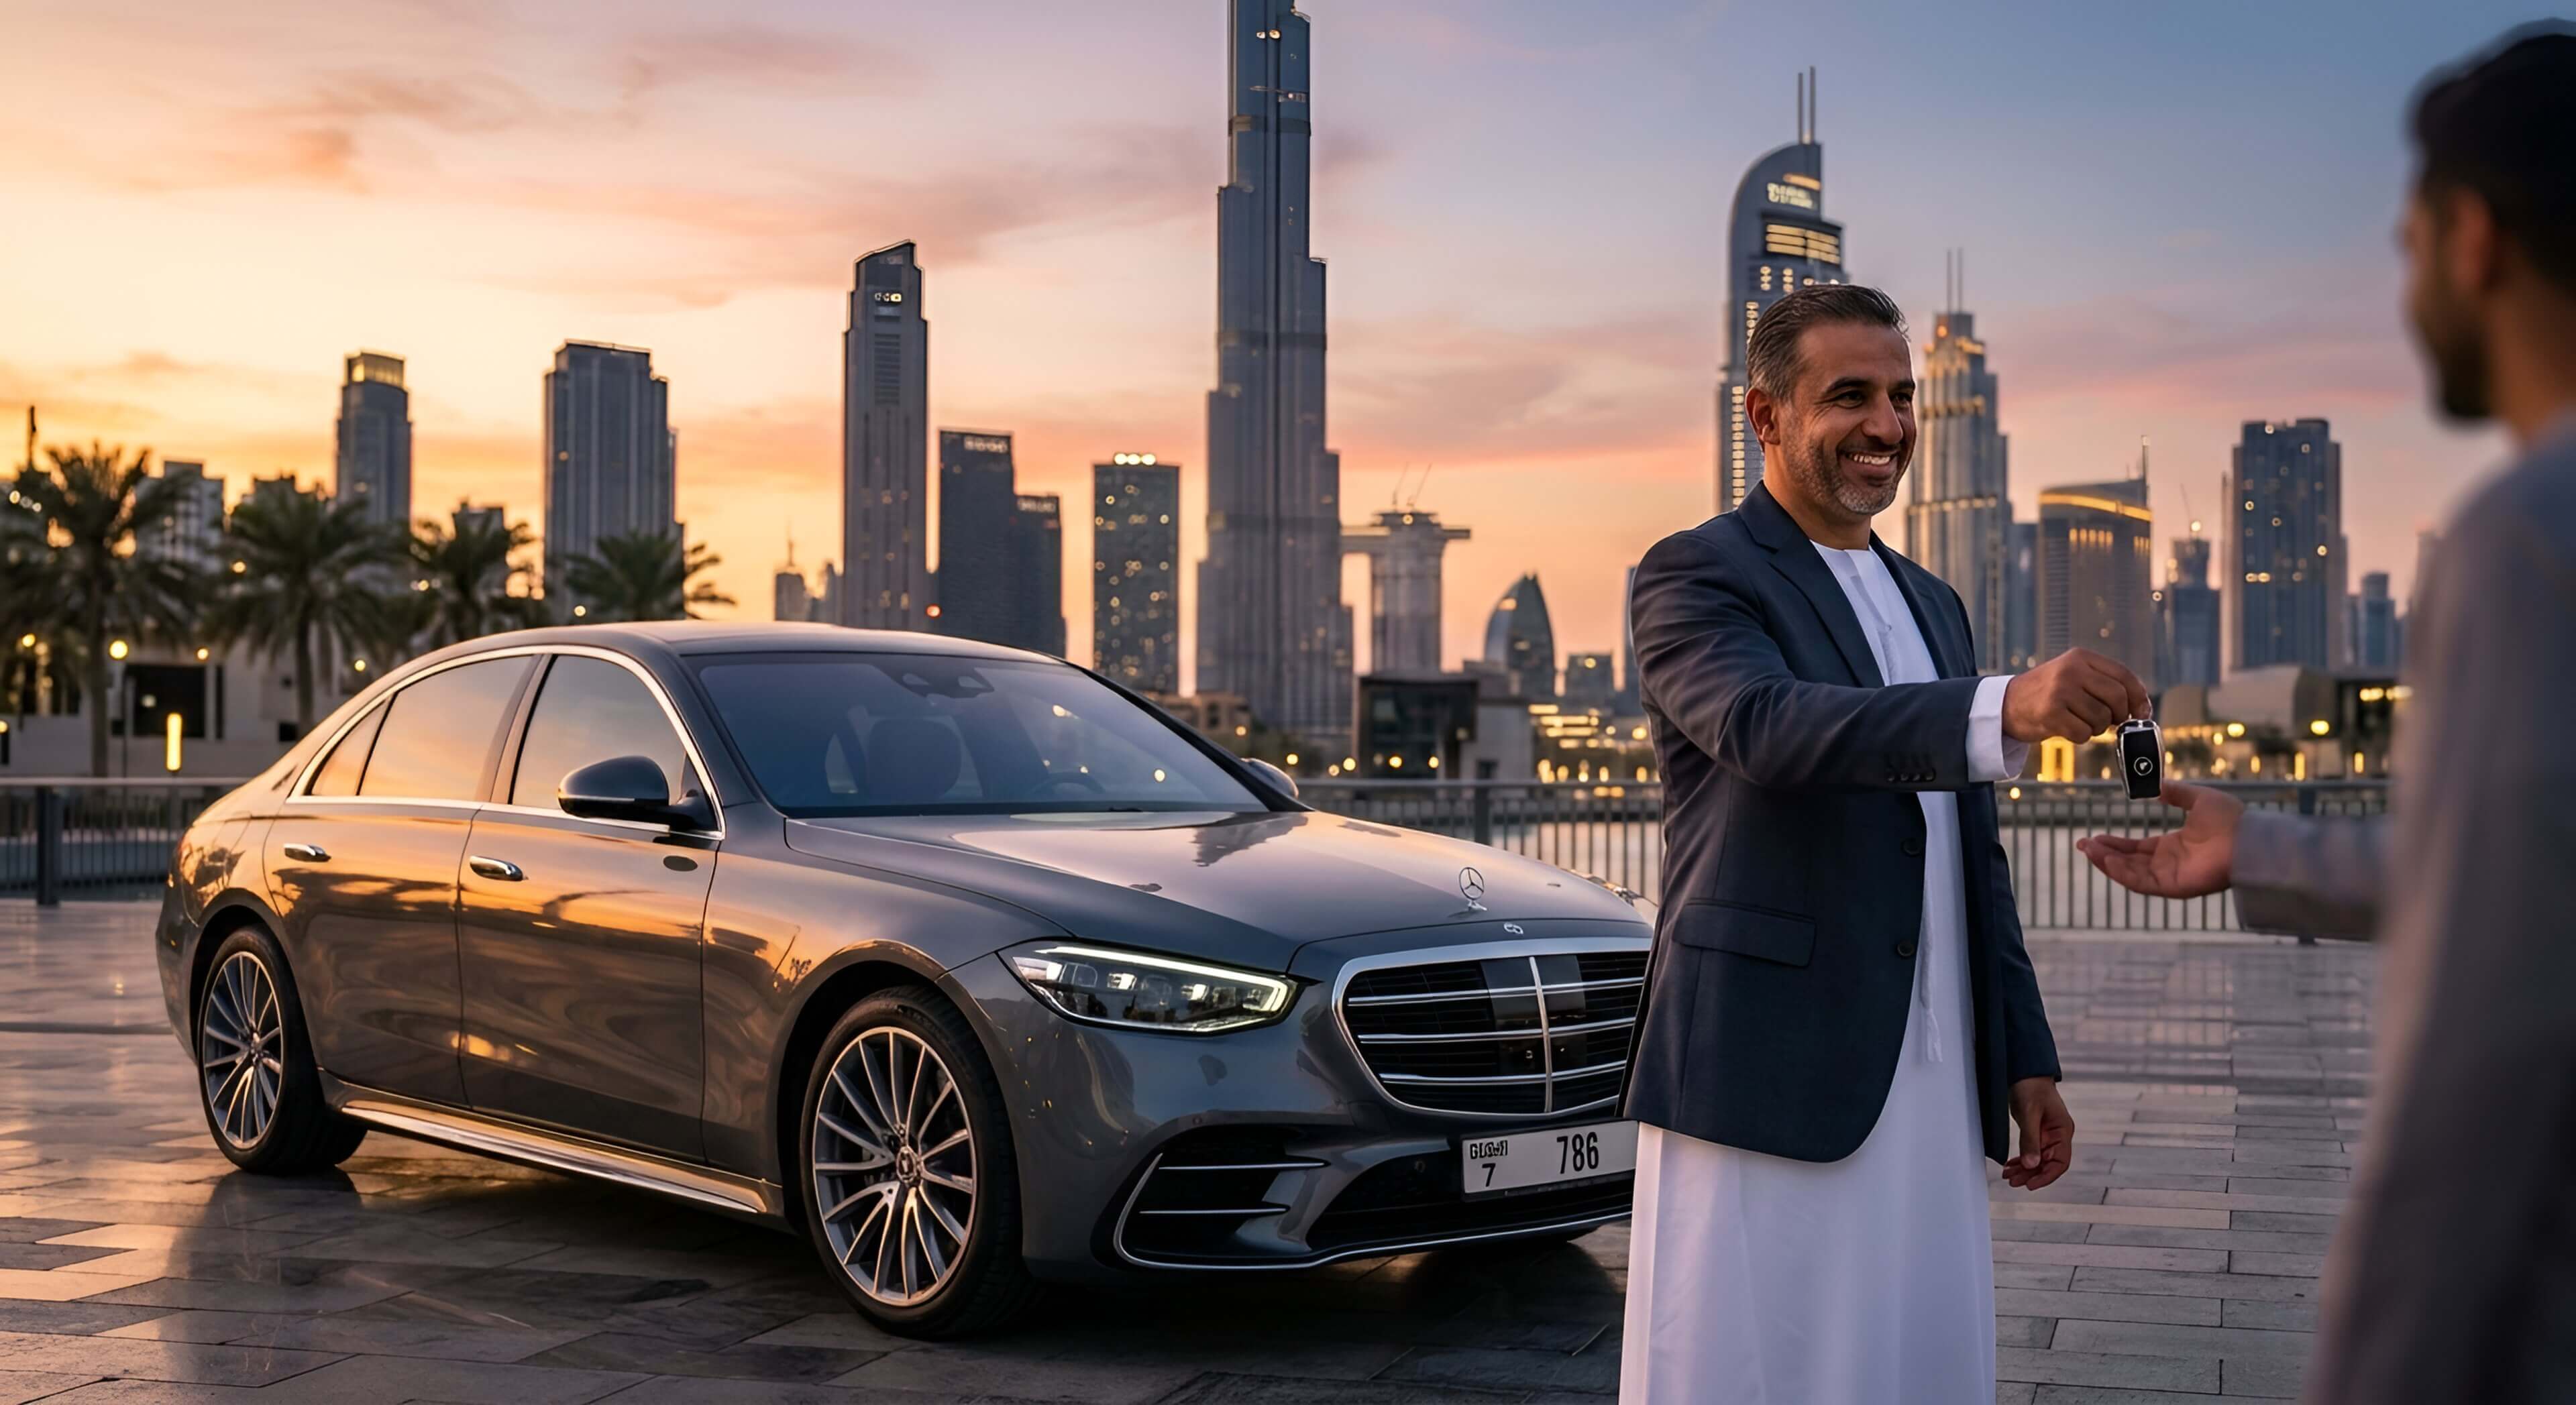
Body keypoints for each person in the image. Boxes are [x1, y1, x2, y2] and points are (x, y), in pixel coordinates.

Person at [2076, 25, 2576, 1404]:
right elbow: (2538, 873)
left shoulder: (2525, 541)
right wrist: (2270, 845)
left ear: (2470, 238)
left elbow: (2479, 1047)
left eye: (2406, 238)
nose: (2407, 275)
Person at [1619, 282, 2150, 1404]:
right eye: (1850, 396)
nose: (1888, 426)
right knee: (1751, 1363)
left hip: (1935, 1063)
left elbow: (1973, 859)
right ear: (1764, 416)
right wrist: (2000, 707)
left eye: (1903, 397)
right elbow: (1764, 728)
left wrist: (2024, 1057)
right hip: (1768, 1059)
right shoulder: (1696, 572)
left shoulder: (1933, 602)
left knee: (1913, 1360)